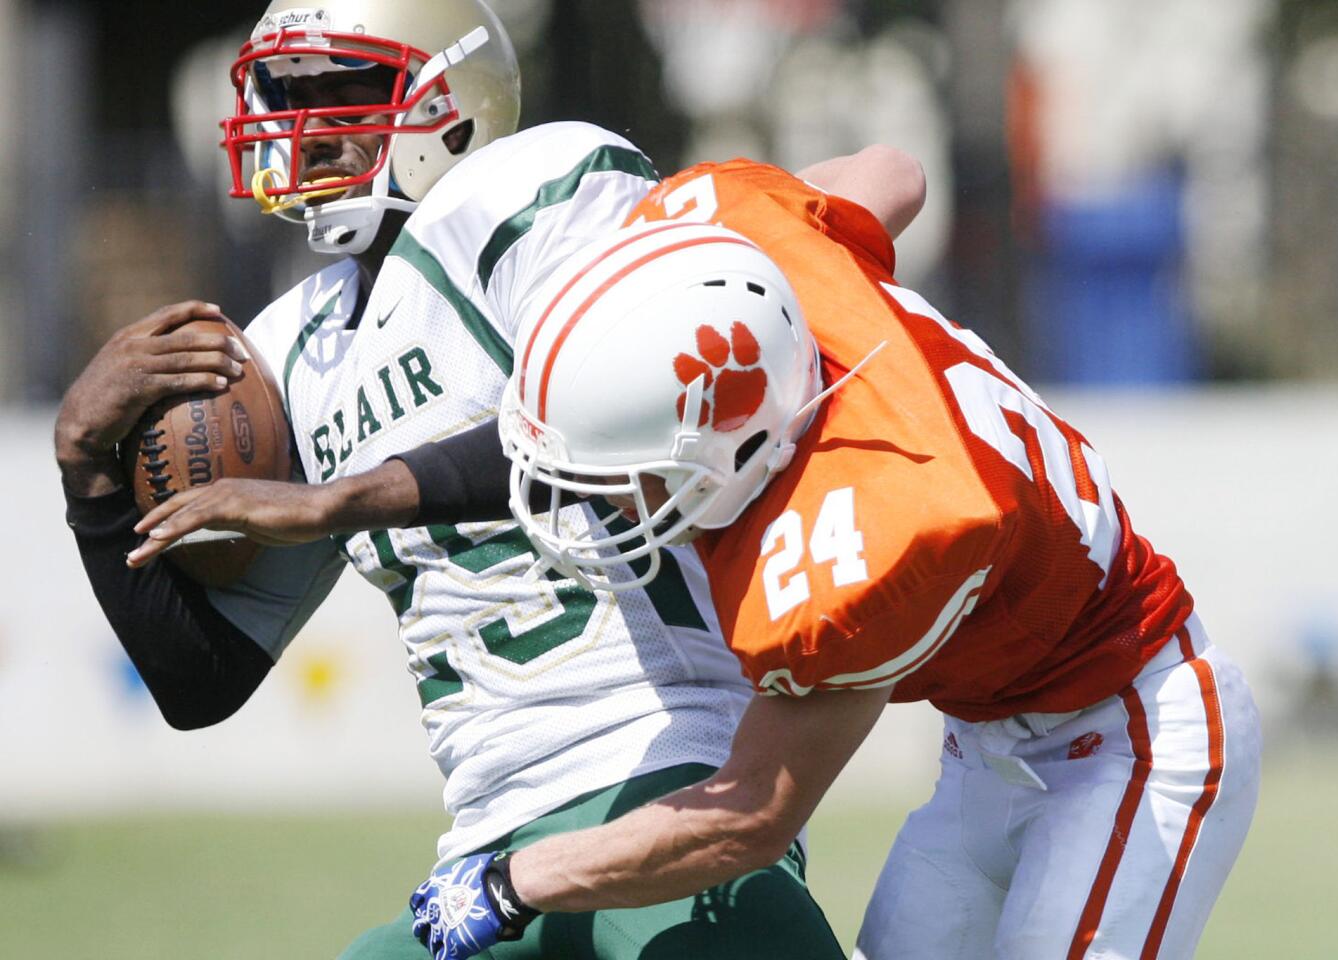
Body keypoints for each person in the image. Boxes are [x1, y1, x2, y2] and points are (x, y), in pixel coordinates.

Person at [59, 1, 915, 957]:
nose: (305, 124)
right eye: (288, 93)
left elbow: (619, 434)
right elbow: (201, 682)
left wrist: (345, 497)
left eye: (344, 90)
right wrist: (87, 475)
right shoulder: (290, 352)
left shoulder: (539, 190)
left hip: (662, 768)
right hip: (482, 844)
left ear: (449, 104)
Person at [426, 162, 1259, 958]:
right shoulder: (766, 274)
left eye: (622, 480)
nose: (603, 504)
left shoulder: (869, 537)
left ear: (728, 445)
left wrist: (512, 882)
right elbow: (894, 171)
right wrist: (800, 236)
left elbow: (748, 814)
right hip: (983, 747)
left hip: (1131, 732)